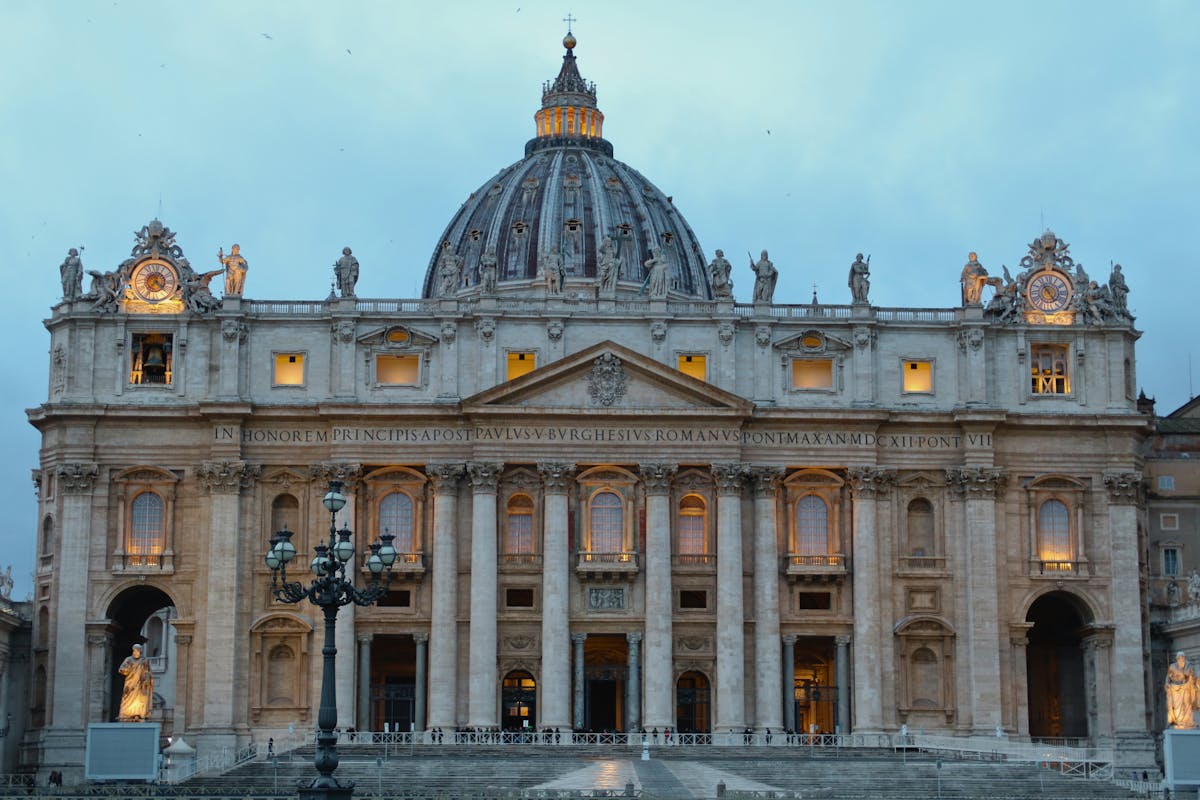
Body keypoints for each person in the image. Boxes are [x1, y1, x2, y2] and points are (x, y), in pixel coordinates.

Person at [118, 643, 154, 722]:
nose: (137, 651)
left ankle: (139, 713)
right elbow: (121, 669)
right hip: (130, 683)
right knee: (127, 697)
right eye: (136, 650)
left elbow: (149, 671)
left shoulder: (145, 660)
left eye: (139, 650)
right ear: (133, 650)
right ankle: (126, 714)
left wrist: (148, 677)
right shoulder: (128, 659)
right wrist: (126, 669)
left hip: (141, 683)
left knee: (141, 698)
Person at [1165, 651, 1197, 729]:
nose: (1182, 659)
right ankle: (1178, 721)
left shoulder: (1188, 666)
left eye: (1183, 657)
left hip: (1186, 687)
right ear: (1177, 659)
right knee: (1176, 706)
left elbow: (1192, 676)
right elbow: (1168, 677)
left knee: (1187, 703)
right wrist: (1167, 684)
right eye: (1180, 657)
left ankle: (1187, 721)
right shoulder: (1172, 666)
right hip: (1175, 688)